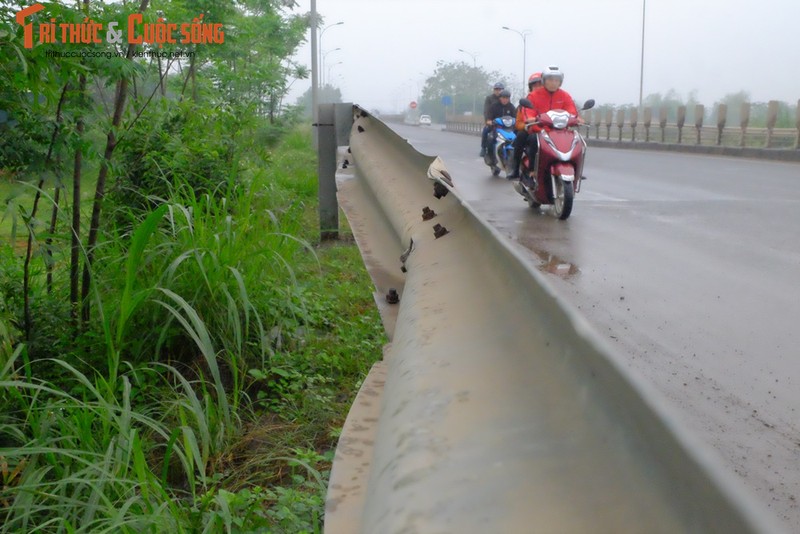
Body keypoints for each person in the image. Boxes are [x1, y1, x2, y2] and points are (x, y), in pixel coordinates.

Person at [515, 66, 581, 182]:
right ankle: (532, 172)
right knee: (534, 141)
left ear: (560, 82)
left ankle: (576, 170)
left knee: (577, 141)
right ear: (544, 81)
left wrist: (576, 119)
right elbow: (528, 111)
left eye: (556, 80)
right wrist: (530, 118)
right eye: (550, 80)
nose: (553, 83)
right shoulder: (533, 96)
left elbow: (571, 110)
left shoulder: (565, 96)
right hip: (539, 130)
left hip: (560, 131)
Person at [508, 72, 543, 178]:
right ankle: (516, 169)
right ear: (530, 87)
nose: (537, 87)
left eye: (540, 85)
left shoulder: (550, 100)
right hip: (532, 131)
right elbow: (518, 123)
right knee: (522, 136)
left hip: (549, 131)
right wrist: (527, 126)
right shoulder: (524, 104)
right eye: (535, 85)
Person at [485, 89, 516, 163]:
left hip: (509, 130)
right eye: (503, 98)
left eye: (507, 98)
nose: (505, 100)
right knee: (490, 139)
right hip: (496, 129)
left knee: (517, 139)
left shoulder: (512, 107)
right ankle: (491, 157)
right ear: (500, 98)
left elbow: (515, 118)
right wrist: (490, 122)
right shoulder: (494, 106)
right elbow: (489, 118)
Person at [480, 82, 505, 157]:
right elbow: (486, 110)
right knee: (486, 130)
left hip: (503, 122)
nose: (498, 91)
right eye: (496, 89)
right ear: (494, 90)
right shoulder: (489, 98)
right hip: (492, 121)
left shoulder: (505, 99)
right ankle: (483, 148)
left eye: (500, 89)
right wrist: (488, 120)